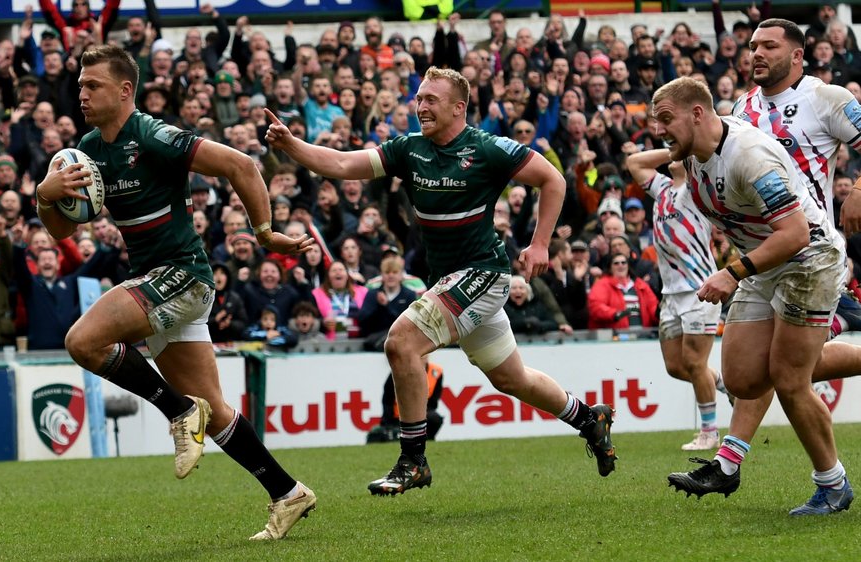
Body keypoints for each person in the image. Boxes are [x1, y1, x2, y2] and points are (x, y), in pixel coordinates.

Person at [266, 66, 617, 496]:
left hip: (484, 275)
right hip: (449, 281)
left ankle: (413, 459)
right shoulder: (409, 149)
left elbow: (552, 178)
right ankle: (589, 419)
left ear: (459, 107)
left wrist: (541, 243)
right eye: (419, 98)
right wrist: (290, 144)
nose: (421, 106)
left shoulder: (487, 148)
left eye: (432, 99)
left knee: (401, 342)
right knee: (512, 380)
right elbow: (341, 163)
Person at [35, 45, 316, 540]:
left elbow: (243, 167)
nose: (81, 93)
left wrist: (267, 233)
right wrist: (46, 195)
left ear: (125, 91)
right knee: (218, 408)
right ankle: (287, 492)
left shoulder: (155, 135)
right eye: (79, 84)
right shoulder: (86, 152)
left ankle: (179, 413)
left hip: (182, 275)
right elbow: (59, 232)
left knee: (83, 342)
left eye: (91, 85)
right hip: (158, 283)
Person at [671, 19, 861, 504]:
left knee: (789, 374)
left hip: (811, 247)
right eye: (752, 45)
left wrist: (858, 190)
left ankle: (751, 468)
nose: (754, 53)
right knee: (748, 374)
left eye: (768, 46)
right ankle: (729, 462)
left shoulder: (827, 98)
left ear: (797, 55)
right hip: (765, 250)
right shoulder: (743, 108)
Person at [627, 148, 729, 451]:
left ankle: (709, 433)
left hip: (700, 289)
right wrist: (674, 148)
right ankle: (726, 386)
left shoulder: (697, 190)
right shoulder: (661, 189)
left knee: (696, 363)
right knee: (675, 366)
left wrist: (687, 153)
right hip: (671, 294)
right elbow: (634, 162)